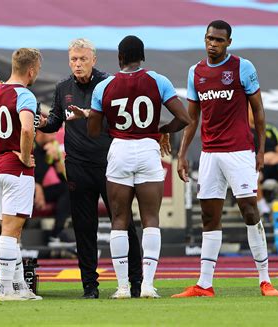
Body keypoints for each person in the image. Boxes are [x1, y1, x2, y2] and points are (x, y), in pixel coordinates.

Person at [69, 35, 191, 298]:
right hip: (148, 148)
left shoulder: (105, 86)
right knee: (150, 220)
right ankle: (147, 284)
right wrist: (162, 130)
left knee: (119, 220)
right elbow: (184, 118)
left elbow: (92, 131)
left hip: (120, 150)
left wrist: (99, 118)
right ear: (142, 57)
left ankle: (123, 286)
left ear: (119, 57)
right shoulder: (159, 81)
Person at [173, 20, 278, 298]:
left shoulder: (242, 68)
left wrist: (259, 150)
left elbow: (258, 112)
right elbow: (192, 117)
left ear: (228, 43)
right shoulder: (195, 72)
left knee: (249, 210)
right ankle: (205, 284)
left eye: (219, 40)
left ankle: (265, 280)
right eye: (209, 38)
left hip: (239, 152)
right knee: (209, 217)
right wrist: (183, 154)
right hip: (210, 154)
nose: (213, 44)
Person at [38, 38, 143, 299]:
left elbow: (120, 118)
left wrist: (88, 114)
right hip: (77, 166)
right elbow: (54, 122)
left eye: (83, 59)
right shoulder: (63, 87)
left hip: (111, 164)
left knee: (124, 223)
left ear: (94, 60)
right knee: (84, 228)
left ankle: (137, 282)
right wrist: (38, 122)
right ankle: (89, 286)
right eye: (74, 59)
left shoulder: (109, 84)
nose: (78, 64)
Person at [0, 47, 43, 301]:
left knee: (11, 230)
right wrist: (24, 154)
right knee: (10, 230)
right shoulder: (25, 95)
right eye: (37, 70)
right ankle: (6, 289)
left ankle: (19, 287)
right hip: (15, 169)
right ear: (31, 70)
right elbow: (28, 130)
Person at [33, 130, 72, 247]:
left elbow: (62, 179)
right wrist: (37, 186)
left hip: (39, 191)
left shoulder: (47, 149)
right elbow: (31, 173)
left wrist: (56, 159)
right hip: (24, 189)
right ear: (40, 133)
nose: (54, 137)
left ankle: (57, 234)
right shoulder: (31, 146)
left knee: (68, 189)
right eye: (51, 133)